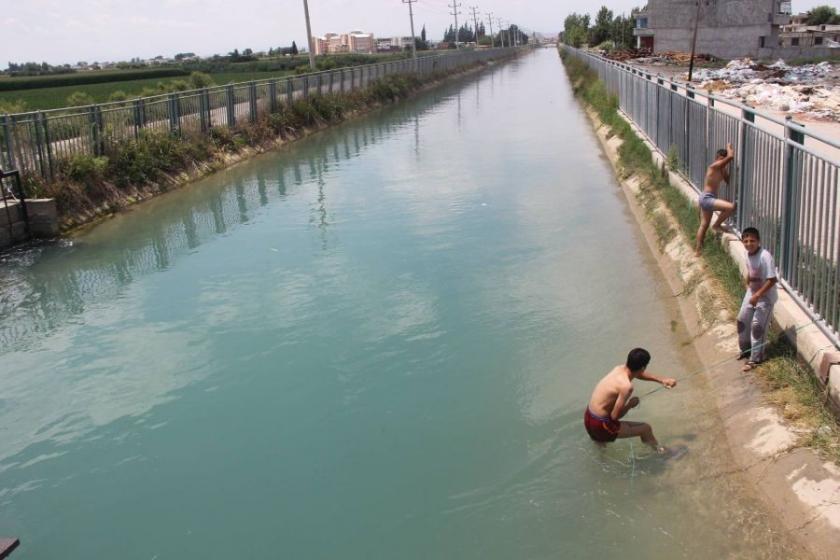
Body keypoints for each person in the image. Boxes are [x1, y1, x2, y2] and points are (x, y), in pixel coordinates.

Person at [584, 348, 677, 453]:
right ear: (643, 367)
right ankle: (663, 453)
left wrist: (662, 380)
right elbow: (615, 417)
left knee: (601, 443)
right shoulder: (626, 387)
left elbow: (638, 374)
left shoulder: (618, 368)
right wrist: (630, 405)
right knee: (645, 429)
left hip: (588, 417)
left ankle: (602, 460)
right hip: (601, 424)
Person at [737, 227, 778, 371]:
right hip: (753, 292)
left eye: (752, 241)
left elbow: (772, 280)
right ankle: (745, 350)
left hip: (765, 297)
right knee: (742, 320)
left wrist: (757, 295)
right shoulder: (748, 254)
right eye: (746, 241)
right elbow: (750, 270)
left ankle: (756, 358)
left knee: (757, 327)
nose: (749, 243)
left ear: (758, 241)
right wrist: (748, 284)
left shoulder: (764, 256)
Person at [695, 143, 736, 256]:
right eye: (721, 159)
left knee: (704, 225)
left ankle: (698, 249)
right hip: (707, 198)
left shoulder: (721, 170)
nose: (722, 162)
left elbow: (728, 181)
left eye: (723, 160)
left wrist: (726, 171)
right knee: (731, 207)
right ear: (716, 158)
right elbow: (731, 157)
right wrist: (729, 147)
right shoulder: (713, 166)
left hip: (707, 198)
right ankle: (717, 225)